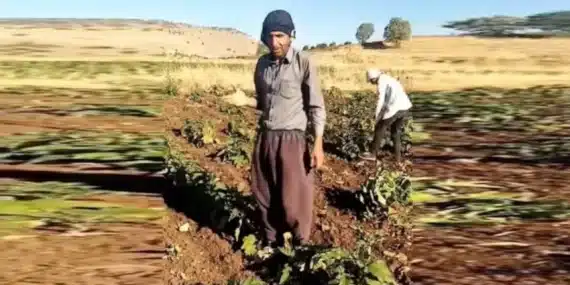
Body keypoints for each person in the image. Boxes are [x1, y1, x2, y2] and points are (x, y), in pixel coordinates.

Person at [250, 9, 326, 247]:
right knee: (263, 194)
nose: (275, 42)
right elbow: (261, 101)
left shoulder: (303, 62)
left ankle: (301, 246)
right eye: (270, 36)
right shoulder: (262, 64)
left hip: (292, 139)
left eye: (280, 35)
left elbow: (316, 105)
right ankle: (271, 241)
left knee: (294, 200)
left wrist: (318, 144)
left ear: (291, 35)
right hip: (266, 136)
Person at [360, 69, 412, 163]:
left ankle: (373, 154)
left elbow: (381, 101)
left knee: (379, 128)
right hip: (405, 107)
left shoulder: (381, 82)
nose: (372, 83)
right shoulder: (389, 78)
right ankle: (398, 159)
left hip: (396, 108)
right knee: (396, 133)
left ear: (373, 78)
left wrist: (377, 116)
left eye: (371, 81)